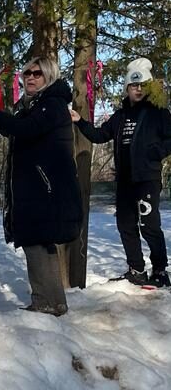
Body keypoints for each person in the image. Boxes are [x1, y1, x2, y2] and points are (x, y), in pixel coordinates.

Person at [0, 56, 82, 316]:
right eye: (27, 74)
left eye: (37, 74)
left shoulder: (52, 105)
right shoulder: (36, 105)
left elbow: (27, 129)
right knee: (40, 243)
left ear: (49, 77)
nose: (30, 78)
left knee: (36, 242)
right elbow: (17, 128)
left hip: (45, 190)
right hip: (39, 188)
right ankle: (54, 302)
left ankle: (45, 302)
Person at [71, 58, 171, 288]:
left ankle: (160, 270)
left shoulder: (159, 113)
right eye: (133, 85)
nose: (138, 89)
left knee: (150, 225)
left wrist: (156, 152)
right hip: (125, 181)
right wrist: (79, 121)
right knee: (125, 224)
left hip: (147, 179)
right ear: (127, 88)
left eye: (142, 85)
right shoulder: (120, 116)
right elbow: (99, 135)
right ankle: (136, 269)